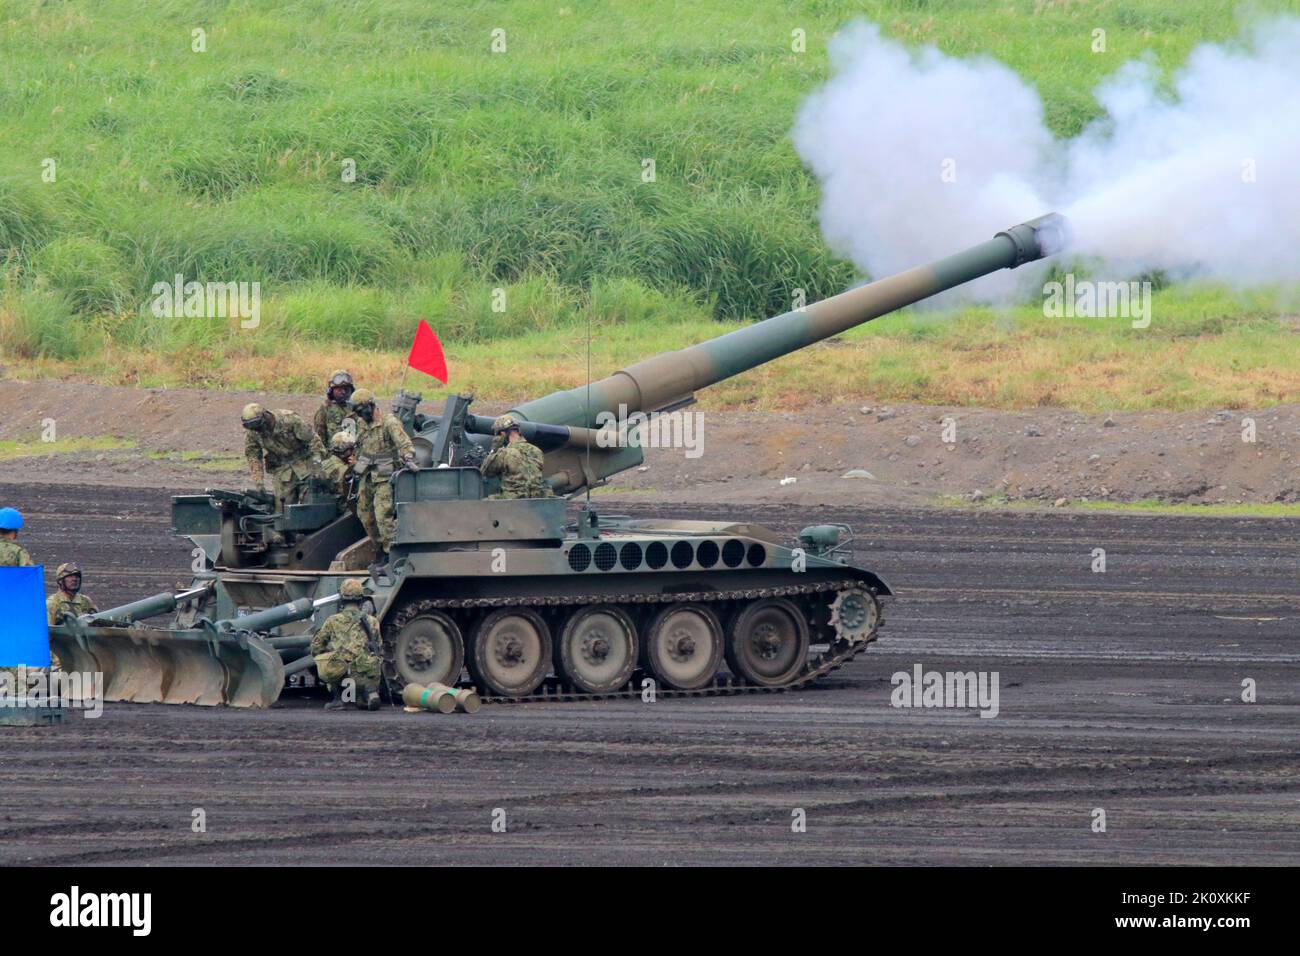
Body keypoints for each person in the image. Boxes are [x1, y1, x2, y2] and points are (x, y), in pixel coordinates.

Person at [348, 388, 416, 563]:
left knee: (383, 516)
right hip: (367, 475)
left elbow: (404, 443)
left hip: (385, 475)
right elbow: (360, 447)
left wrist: (408, 457)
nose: (360, 415)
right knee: (365, 515)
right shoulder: (362, 425)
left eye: (361, 411)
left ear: (370, 406)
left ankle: (391, 553)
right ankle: (379, 548)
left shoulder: (389, 422)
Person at [310, 578, 383, 711]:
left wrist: (324, 654)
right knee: (360, 700)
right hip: (367, 674)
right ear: (361, 599)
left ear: (342, 599)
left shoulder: (333, 620)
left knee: (328, 661)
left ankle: (339, 699)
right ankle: (368, 694)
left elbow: (316, 646)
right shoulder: (373, 621)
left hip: (344, 675)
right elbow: (379, 648)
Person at [242, 403, 325, 510]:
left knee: (311, 499)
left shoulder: (290, 420)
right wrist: (259, 483)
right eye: (250, 426)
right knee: (282, 506)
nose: (256, 429)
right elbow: (253, 456)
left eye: (257, 425)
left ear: (265, 417)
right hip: (282, 468)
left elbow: (314, 441)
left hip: (305, 461)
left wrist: (317, 465)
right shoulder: (253, 432)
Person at [482, 415, 551, 499]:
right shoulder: (537, 451)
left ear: (502, 434)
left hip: (513, 500)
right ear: (518, 430)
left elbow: (485, 472)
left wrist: (494, 450)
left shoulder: (504, 453)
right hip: (536, 497)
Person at [314, 369, 356, 447]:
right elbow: (320, 440)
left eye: (346, 389)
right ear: (331, 391)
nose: (343, 392)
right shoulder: (324, 410)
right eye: (339, 389)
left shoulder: (356, 408)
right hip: (334, 455)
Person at [321, 431, 359, 511]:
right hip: (341, 507)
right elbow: (351, 491)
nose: (353, 453)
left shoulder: (324, 463)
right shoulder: (344, 470)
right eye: (351, 450)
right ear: (345, 452)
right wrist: (356, 466)